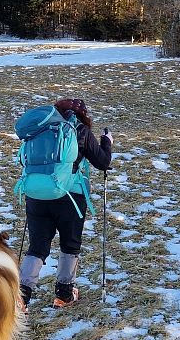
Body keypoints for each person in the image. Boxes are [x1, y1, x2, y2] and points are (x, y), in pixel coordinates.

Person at [18, 98, 113, 307]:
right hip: (70, 196)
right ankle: (64, 295)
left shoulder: (39, 128)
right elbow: (103, 162)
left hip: (36, 194)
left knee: (37, 246)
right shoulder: (79, 130)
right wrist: (107, 142)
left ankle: (21, 298)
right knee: (70, 244)